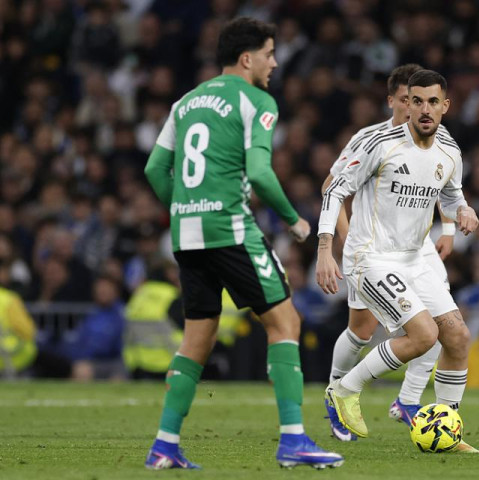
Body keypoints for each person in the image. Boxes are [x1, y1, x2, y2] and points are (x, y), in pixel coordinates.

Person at [143, 17, 342, 470]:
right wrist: (293, 221)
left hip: (187, 234)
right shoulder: (257, 100)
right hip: (230, 228)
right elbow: (260, 174)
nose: (274, 63)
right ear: (247, 58)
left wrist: (185, 208)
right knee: (285, 322)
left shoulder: (185, 103)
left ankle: (165, 445)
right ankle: (293, 440)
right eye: (270, 54)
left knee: (197, 339)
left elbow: (155, 169)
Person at [316, 70, 479, 452]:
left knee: (457, 336)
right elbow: (334, 190)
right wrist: (325, 248)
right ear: (404, 103)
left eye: (432, 102)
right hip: (371, 257)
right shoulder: (379, 142)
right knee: (420, 335)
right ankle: (343, 390)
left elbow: (452, 194)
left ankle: (446, 430)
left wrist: (464, 211)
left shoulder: (449, 149)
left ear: (445, 106)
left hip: (414, 257)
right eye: (416, 101)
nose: (424, 109)